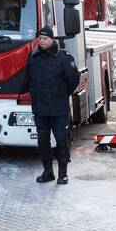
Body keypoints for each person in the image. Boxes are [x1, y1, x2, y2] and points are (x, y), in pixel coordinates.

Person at [25, 26, 79, 185]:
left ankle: (63, 174)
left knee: (61, 141)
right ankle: (48, 172)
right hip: (40, 108)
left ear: (52, 39)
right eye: (40, 38)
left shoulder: (63, 57)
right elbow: (28, 79)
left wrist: (62, 94)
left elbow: (73, 80)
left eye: (45, 38)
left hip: (58, 109)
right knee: (42, 141)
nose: (42, 41)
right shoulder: (33, 57)